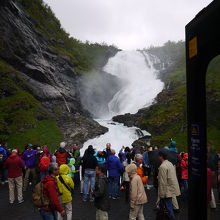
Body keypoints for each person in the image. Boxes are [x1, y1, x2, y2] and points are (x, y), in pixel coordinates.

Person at [157, 149, 180, 220]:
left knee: (168, 209)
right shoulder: (170, 163)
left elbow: (163, 182)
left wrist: (162, 195)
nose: (158, 157)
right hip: (171, 189)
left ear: (161, 156)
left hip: (166, 192)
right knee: (166, 209)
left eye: (158, 155)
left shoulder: (162, 167)